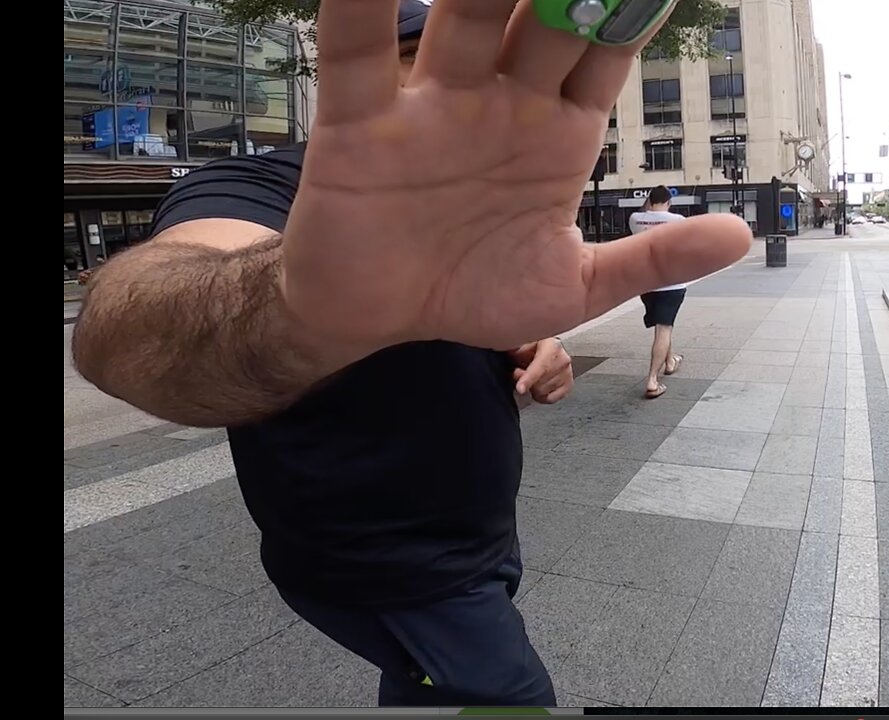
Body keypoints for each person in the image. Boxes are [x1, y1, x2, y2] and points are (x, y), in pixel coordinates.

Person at [70, 0, 751, 708]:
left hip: (476, 542)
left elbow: (450, 307)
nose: (477, 92)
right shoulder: (258, 184)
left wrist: (527, 343)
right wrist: (294, 312)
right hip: (386, 563)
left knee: (422, 691)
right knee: (508, 701)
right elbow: (135, 337)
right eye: (420, 64)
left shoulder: (487, 197)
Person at [628, 186, 687, 399]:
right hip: (671, 283)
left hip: (646, 284)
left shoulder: (635, 219)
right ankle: (652, 380)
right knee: (664, 328)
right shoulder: (678, 220)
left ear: (649, 200)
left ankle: (670, 361)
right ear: (669, 202)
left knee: (663, 325)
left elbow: (644, 214)